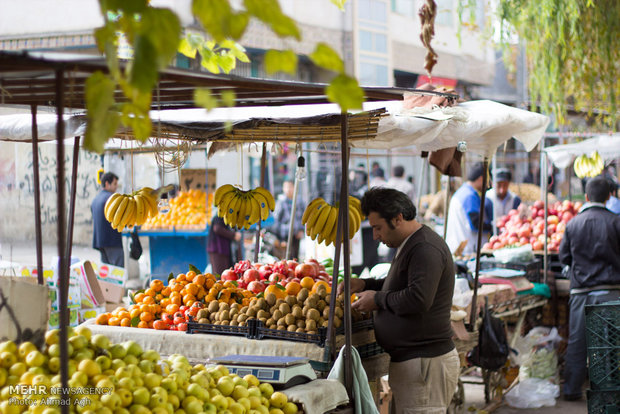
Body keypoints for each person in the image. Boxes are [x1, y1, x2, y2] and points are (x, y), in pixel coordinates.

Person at [338, 187, 459, 413]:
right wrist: (366, 284)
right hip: (415, 364)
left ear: (398, 218)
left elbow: (418, 298)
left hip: (425, 364)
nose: (375, 236)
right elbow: (401, 283)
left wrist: (378, 299)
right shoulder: (412, 243)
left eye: (378, 228)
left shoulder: (424, 248)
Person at [559, 176, 620, 400]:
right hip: (610, 291)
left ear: (586, 197)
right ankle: (608, 392)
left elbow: (564, 256)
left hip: (580, 292)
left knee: (577, 341)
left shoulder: (573, 223)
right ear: (609, 196)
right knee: (608, 343)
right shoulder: (616, 222)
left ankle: (572, 390)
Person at [445, 162, 493, 255]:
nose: (488, 185)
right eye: (487, 181)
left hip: (458, 248)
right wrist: (493, 226)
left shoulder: (462, 192)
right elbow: (476, 224)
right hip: (466, 252)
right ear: (481, 179)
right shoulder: (470, 196)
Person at [91, 172, 124, 267]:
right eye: (114, 184)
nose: (116, 187)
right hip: (112, 241)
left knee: (107, 274)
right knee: (118, 273)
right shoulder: (111, 198)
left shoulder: (96, 199)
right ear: (106, 184)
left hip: (100, 242)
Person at [271, 180, 305, 260]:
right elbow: (276, 220)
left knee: (295, 257)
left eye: (290, 187)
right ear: (283, 189)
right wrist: (279, 238)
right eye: (286, 187)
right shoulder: (281, 202)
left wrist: (301, 230)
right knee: (286, 257)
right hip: (284, 235)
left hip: (296, 234)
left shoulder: (299, 201)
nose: (288, 189)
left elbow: (304, 217)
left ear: (294, 188)